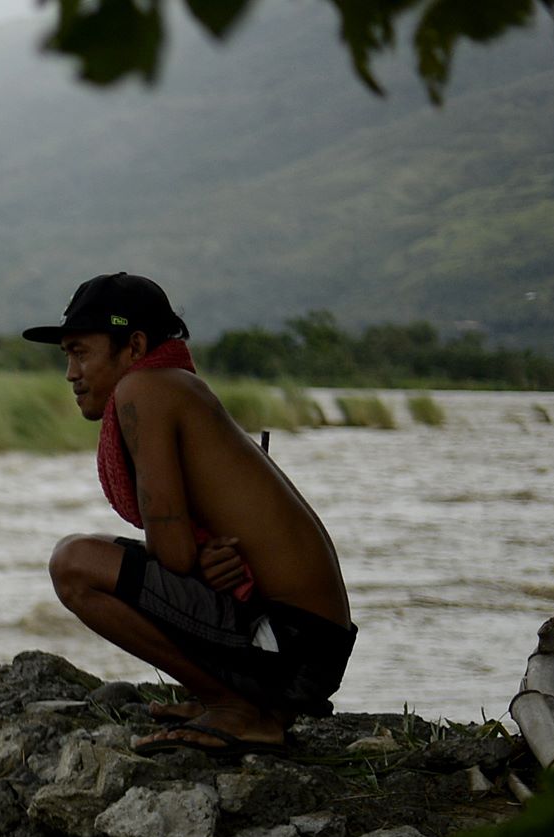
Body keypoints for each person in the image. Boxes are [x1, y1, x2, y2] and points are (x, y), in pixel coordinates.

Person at [33, 273, 355, 756]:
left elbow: (175, 557)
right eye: (67, 356)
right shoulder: (174, 384)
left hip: (292, 647)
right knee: (97, 554)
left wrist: (191, 558)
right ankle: (233, 700)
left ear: (134, 346)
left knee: (74, 564)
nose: (71, 373)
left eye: (82, 352)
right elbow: (181, 553)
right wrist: (195, 557)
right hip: (305, 644)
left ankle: (235, 707)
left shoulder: (145, 390)